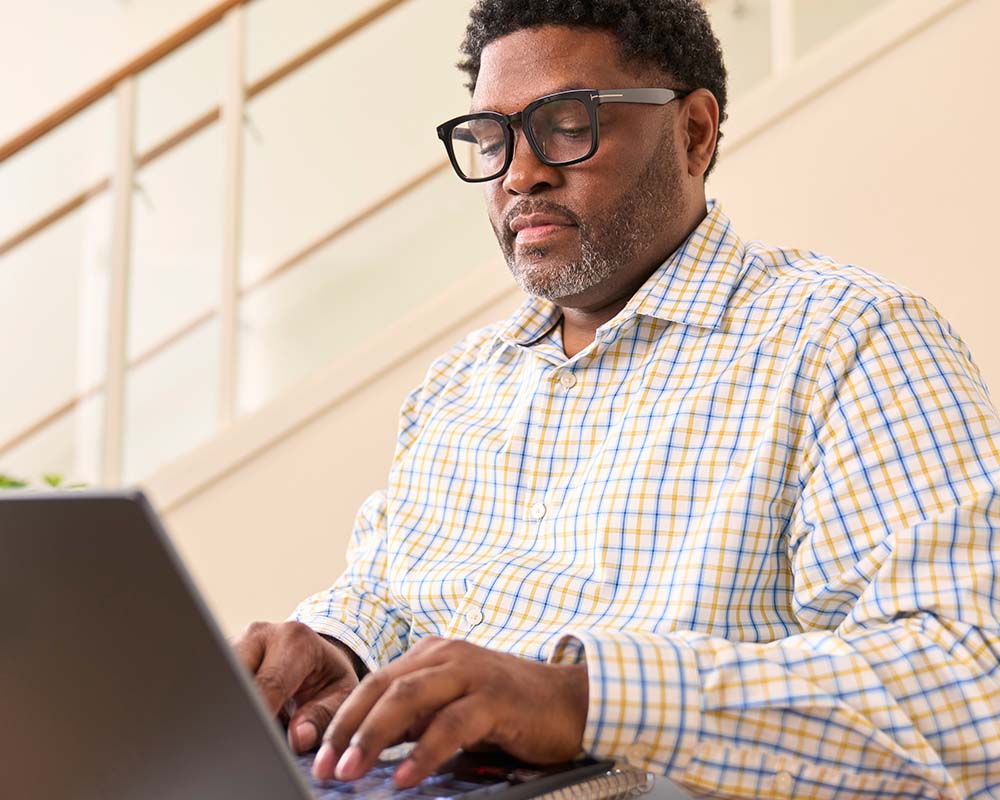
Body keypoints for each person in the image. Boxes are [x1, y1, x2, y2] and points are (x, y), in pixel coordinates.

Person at [232, 2, 1000, 797]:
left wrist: (585, 702)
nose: (518, 174)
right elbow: (395, 596)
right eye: (493, 139)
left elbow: (969, 691)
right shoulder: (458, 386)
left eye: (567, 124)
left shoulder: (848, 340)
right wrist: (341, 649)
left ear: (694, 133)